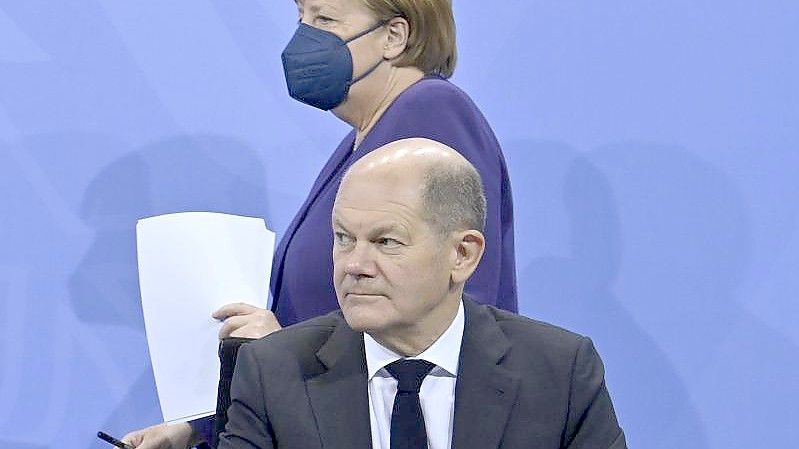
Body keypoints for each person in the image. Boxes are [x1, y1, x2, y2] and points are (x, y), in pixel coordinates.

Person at [123, 0, 516, 446]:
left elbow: (452, 313)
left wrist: (285, 356)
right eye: (301, 18)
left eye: (325, 20)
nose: (303, 39)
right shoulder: (363, 140)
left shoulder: (431, 115)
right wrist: (198, 427)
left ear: (395, 37)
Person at [218, 138, 627, 449]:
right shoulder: (273, 372)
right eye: (343, 238)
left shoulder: (559, 372)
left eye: (386, 242)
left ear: (462, 254)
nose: (354, 265)